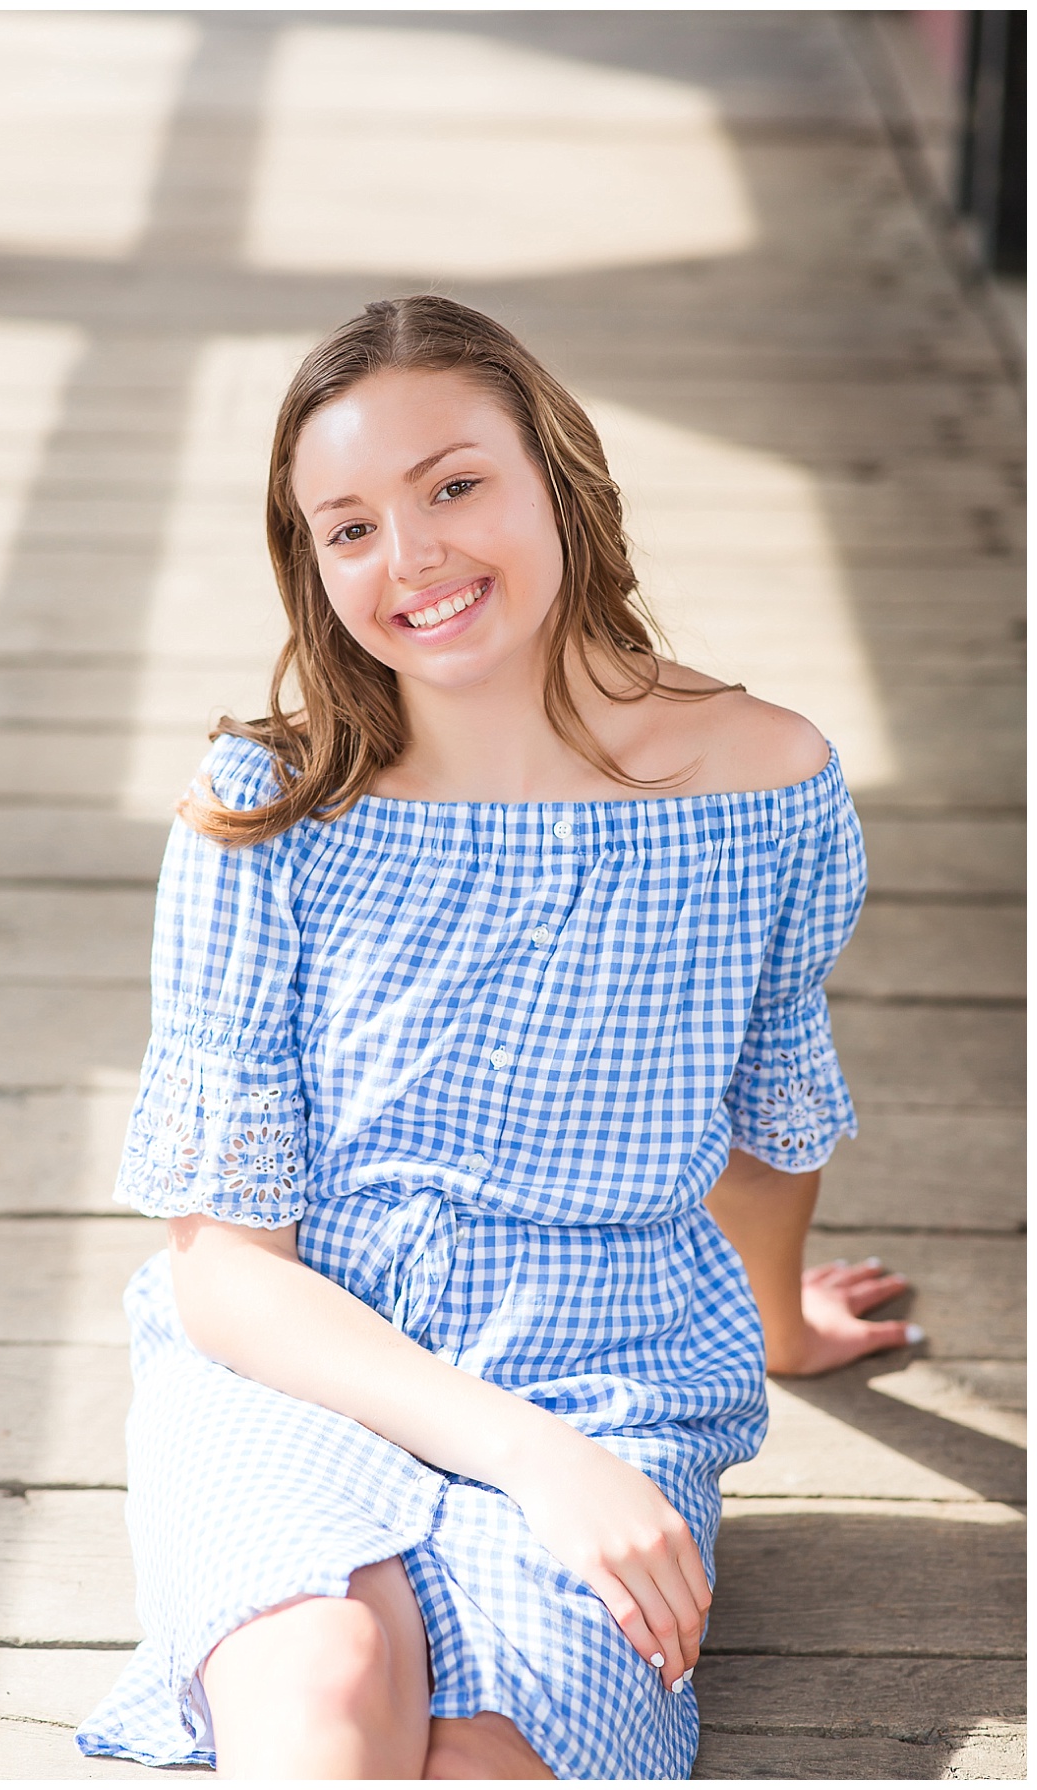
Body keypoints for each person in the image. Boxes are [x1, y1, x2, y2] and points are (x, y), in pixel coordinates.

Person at [76, 294, 919, 1781]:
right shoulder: (267, 813)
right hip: (304, 1354)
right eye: (347, 527)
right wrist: (529, 1453)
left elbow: (769, 1113)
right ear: (311, 564)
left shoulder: (768, 786)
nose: (410, 560)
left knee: (482, 1752)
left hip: (604, 1364)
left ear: (559, 478)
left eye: (453, 484)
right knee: (326, 1685)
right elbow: (228, 1267)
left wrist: (775, 1328)